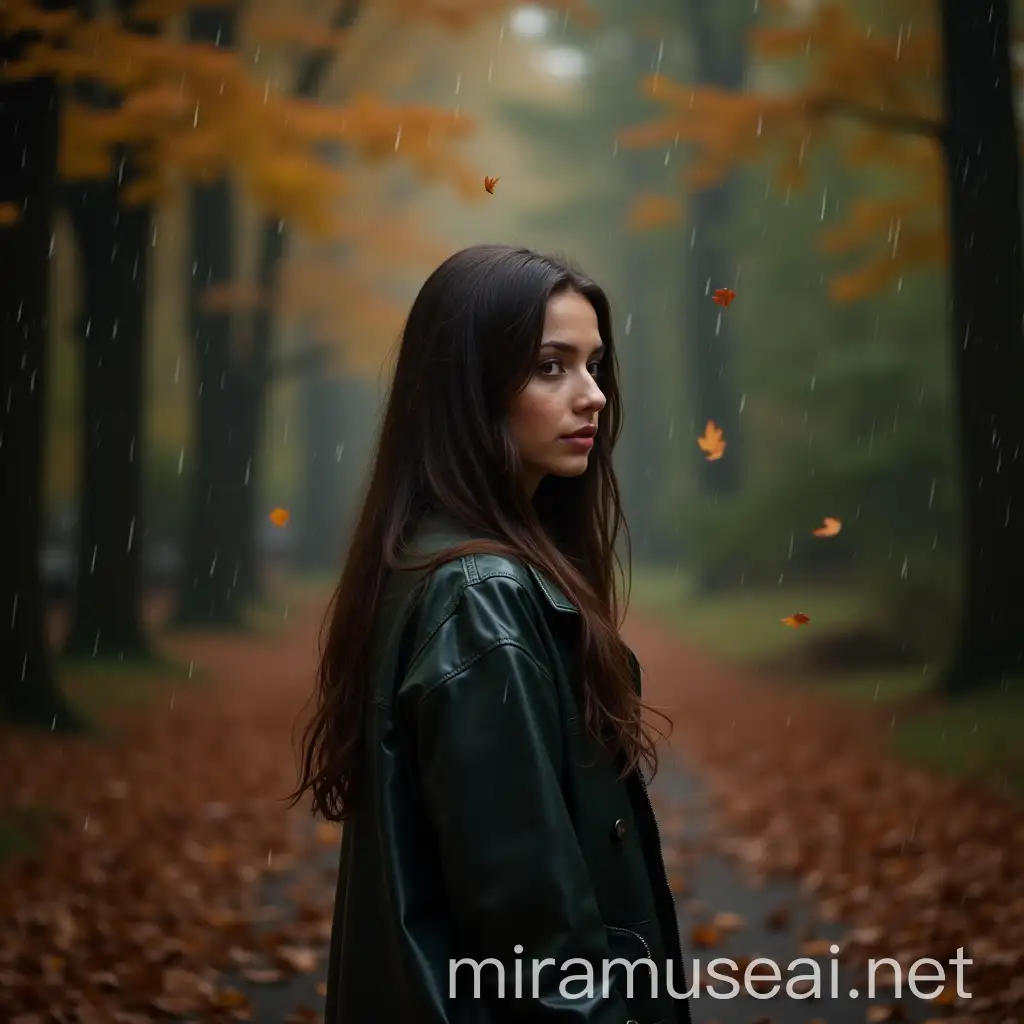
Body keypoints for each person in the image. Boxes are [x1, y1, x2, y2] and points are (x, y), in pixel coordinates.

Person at [289, 243, 691, 1023]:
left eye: (595, 365)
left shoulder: (430, 562)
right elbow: (538, 949)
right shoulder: (481, 599)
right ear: (468, 391)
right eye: (552, 367)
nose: (594, 396)